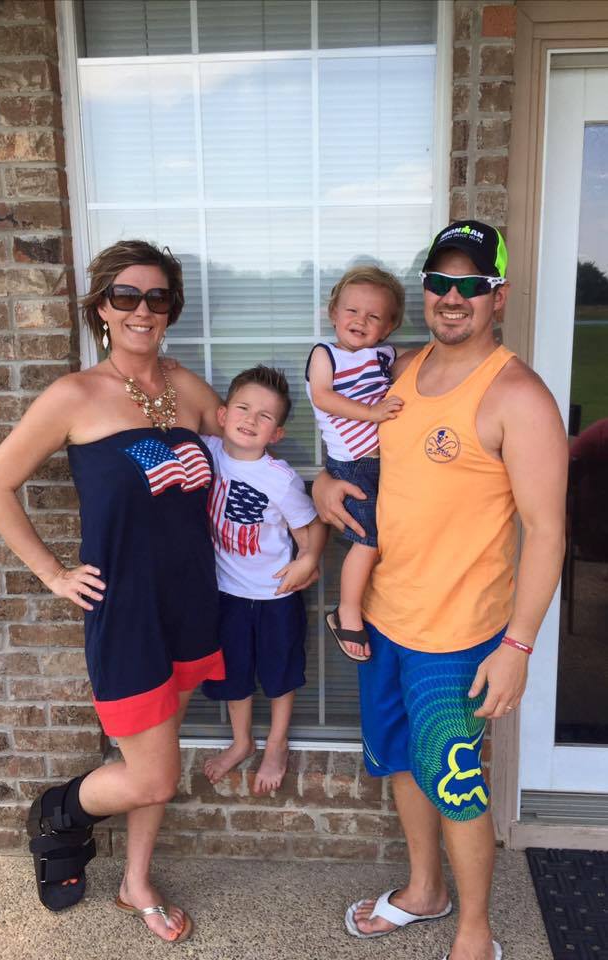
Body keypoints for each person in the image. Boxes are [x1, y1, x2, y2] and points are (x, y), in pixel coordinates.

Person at [313, 221, 567, 960]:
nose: (453, 297)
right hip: (383, 618)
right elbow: (359, 457)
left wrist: (518, 646)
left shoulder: (518, 395)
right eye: (440, 282)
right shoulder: (398, 371)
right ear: (425, 290)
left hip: (456, 637)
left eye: (471, 285)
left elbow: (546, 532)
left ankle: (474, 933)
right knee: (400, 762)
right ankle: (425, 890)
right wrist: (324, 482)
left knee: (454, 785)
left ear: (498, 296)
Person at [0, 240, 227, 943]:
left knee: (160, 756)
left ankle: (134, 881)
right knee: (153, 777)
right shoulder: (74, 396)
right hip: (126, 613)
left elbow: (250, 446)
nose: (143, 310)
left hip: (190, 602)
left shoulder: (186, 387)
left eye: (157, 297)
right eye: (127, 296)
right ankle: (60, 810)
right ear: (102, 308)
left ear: (171, 309)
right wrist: (53, 574)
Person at [202, 366, 325, 793]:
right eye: (242, 408)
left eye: (265, 416)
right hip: (226, 593)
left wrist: (308, 560)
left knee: (279, 672)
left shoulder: (280, 478)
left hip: (275, 595)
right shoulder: (207, 452)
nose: (251, 420)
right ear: (222, 415)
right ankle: (241, 741)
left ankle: (276, 742)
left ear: (276, 433)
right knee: (233, 671)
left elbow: (308, 529)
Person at [305, 266, 404, 661]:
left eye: (373, 316)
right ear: (333, 313)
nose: (360, 321)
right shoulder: (325, 355)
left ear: (388, 327)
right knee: (368, 540)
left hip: (385, 462)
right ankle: (346, 611)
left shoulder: (384, 355)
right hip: (352, 464)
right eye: (351, 311)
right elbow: (323, 396)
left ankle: (376, 604)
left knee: (389, 537)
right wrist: (373, 413)